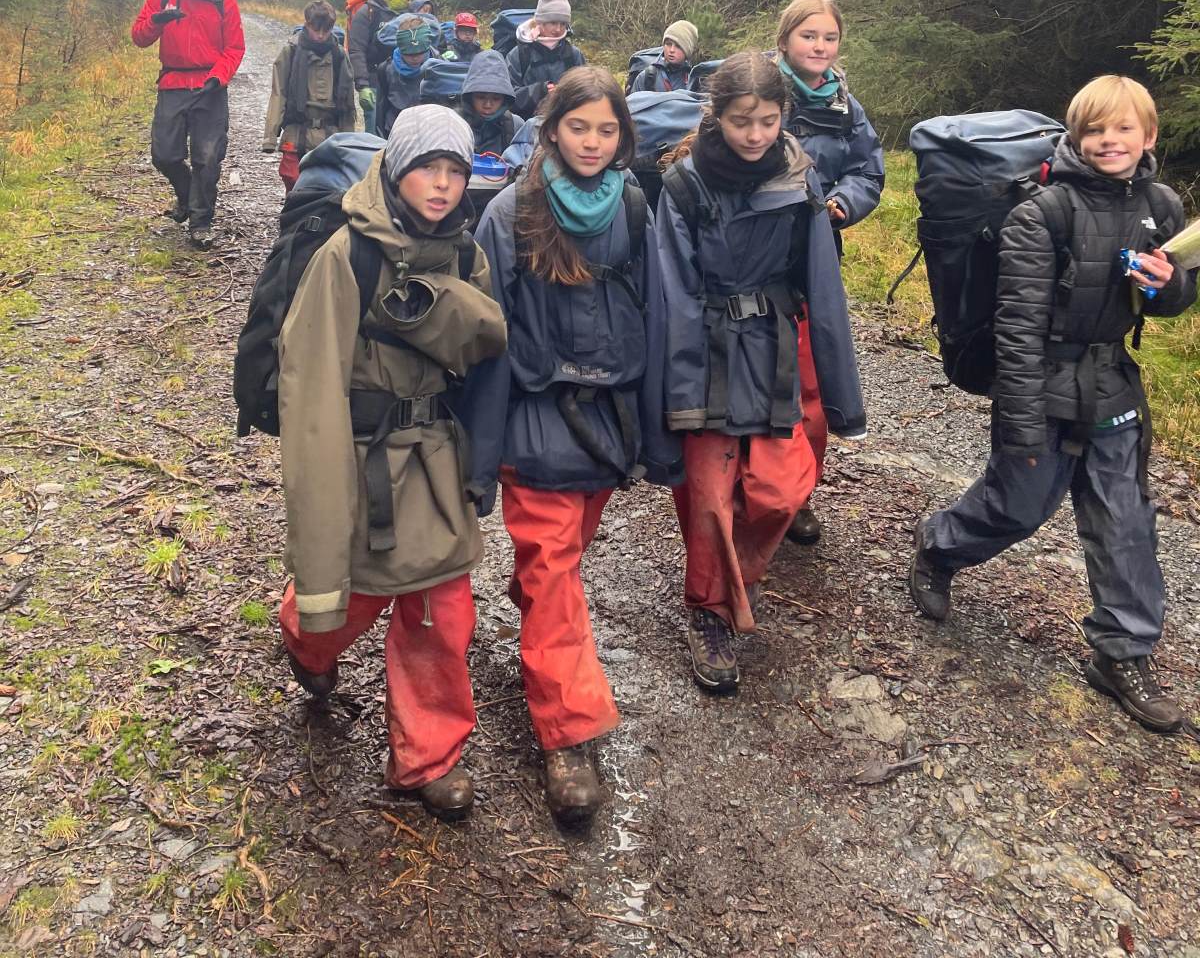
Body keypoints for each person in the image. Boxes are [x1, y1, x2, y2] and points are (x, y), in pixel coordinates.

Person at [910, 75, 1196, 734]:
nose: (1109, 141)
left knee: (1125, 520)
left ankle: (1122, 653)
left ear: (1148, 136)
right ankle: (938, 545)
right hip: (1041, 383)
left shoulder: (1160, 206)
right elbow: (1017, 328)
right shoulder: (1041, 214)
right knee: (1018, 506)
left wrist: (1171, 284)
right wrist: (1021, 424)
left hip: (1113, 383)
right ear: (1075, 136)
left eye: (1123, 129)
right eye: (1095, 130)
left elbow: (1173, 302)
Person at [276, 106, 508, 819]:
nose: (442, 185)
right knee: (345, 599)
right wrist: (321, 497)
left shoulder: (466, 254)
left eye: (455, 171)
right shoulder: (347, 255)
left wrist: (482, 465)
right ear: (397, 170)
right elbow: (310, 384)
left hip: (435, 459)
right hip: (360, 460)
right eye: (426, 168)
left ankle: (427, 758)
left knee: (442, 610)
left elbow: (484, 369)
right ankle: (305, 641)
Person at [462, 68, 679, 824]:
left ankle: (541, 613)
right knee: (555, 572)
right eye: (578, 127)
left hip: (608, 422)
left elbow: (657, 316)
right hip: (535, 416)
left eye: (606, 130)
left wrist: (657, 431)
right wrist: (481, 457)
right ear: (551, 129)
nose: (592, 142)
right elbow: (486, 338)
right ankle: (569, 734)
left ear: (624, 137)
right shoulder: (508, 212)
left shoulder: (635, 207)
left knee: (561, 560)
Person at [656, 52, 865, 696]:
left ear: (784, 116)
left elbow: (822, 287)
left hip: (772, 347)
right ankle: (710, 611)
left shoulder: (800, 181)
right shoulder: (685, 186)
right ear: (716, 117)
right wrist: (679, 394)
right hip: (707, 353)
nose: (755, 134)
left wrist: (843, 398)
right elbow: (672, 292)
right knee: (708, 496)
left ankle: (736, 573)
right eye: (741, 121)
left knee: (779, 490)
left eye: (768, 121)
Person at [775, 0, 885, 545]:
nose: (819, 46)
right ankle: (751, 488)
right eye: (808, 35)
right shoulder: (760, 89)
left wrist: (843, 201)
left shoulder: (846, 106)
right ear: (785, 39)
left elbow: (869, 171)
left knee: (812, 390)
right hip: (750, 260)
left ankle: (798, 495)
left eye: (829, 37)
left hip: (815, 265)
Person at [131, 0, 245, 249]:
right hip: (173, 83)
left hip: (210, 87)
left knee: (207, 158)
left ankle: (200, 223)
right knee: (164, 155)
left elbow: (235, 48)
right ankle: (186, 196)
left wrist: (218, 77)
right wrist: (157, 21)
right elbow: (139, 37)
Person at [262, 0, 357, 192]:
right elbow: (278, 93)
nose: (321, 35)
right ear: (307, 24)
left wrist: (349, 141)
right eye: (316, 29)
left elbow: (347, 103)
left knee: (328, 184)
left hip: (330, 131)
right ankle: (293, 209)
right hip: (296, 128)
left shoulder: (339, 55)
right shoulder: (290, 51)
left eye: (326, 30)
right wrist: (270, 138)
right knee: (292, 179)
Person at [347, 0, 416, 133]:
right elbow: (357, 50)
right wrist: (362, 85)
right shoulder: (368, 13)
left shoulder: (409, 12)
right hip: (374, 80)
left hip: (403, 81)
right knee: (375, 131)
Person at [504, 0, 586, 118]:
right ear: (540, 22)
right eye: (553, 23)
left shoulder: (573, 54)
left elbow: (586, 92)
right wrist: (541, 91)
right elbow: (507, 97)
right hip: (527, 124)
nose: (558, 29)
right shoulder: (518, 55)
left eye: (563, 23)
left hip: (566, 122)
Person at [380, 15, 440, 136]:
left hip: (430, 131)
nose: (415, 58)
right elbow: (382, 107)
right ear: (400, 48)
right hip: (397, 131)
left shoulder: (439, 68)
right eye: (409, 54)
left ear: (427, 47)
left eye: (419, 53)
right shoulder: (386, 69)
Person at [459, 50, 525, 155]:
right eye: (481, 97)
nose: (488, 105)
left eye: (496, 99)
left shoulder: (515, 126)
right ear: (470, 96)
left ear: (505, 99)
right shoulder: (454, 122)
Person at [630, 20, 698, 94]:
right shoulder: (648, 77)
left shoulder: (695, 81)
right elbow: (634, 101)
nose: (672, 50)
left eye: (678, 46)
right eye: (668, 44)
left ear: (687, 50)